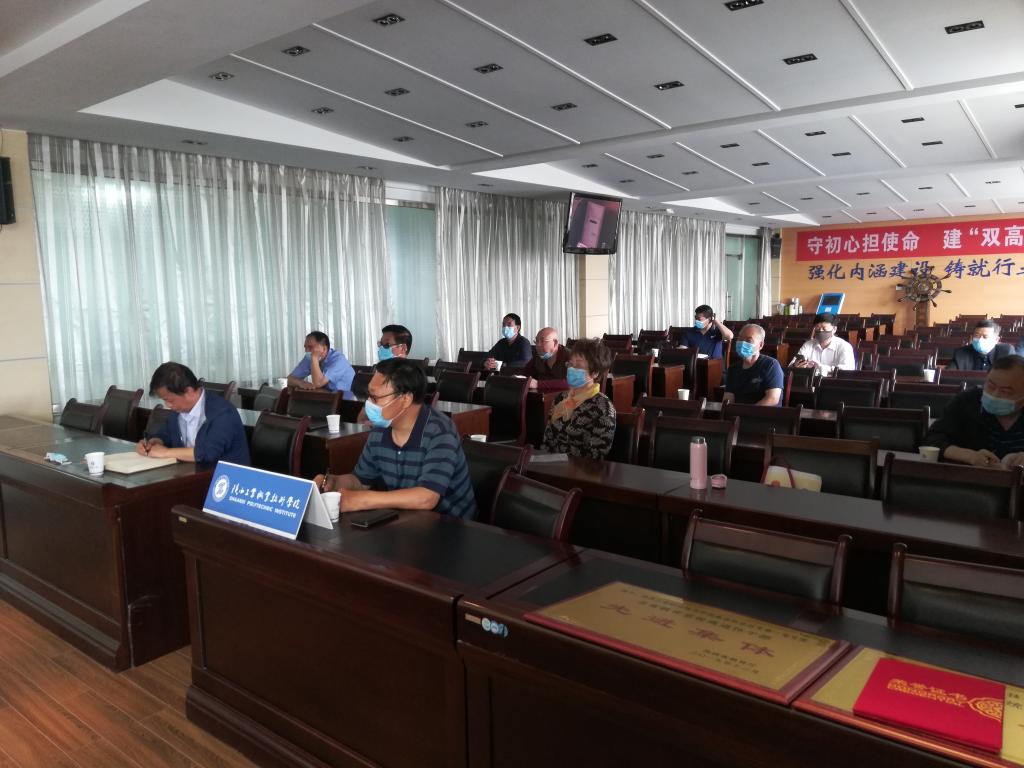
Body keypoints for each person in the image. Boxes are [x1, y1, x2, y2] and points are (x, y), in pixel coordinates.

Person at [314, 358, 477, 518]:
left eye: (375, 397)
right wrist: (334, 482)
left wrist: (364, 500)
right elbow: (361, 481)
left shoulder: (440, 431)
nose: (369, 403)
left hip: (452, 525)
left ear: (405, 399)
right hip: (407, 521)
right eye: (369, 396)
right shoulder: (380, 430)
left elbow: (427, 497)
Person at [137, 362, 249, 466]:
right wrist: (155, 441)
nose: (168, 405)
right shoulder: (177, 411)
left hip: (225, 477)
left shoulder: (223, 413)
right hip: (192, 473)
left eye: (170, 400)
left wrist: (165, 452)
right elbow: (165, 434)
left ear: (188, 391)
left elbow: (207, 453)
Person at [921, 355, 1024, 468]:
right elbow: (931, 440)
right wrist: (970, 456)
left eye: (1005, 392)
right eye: (991, 386)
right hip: (968, 476)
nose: (994, 395)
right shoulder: (967, 401)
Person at [542, 338, 616, 458]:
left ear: (595, 372)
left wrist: (562, 462)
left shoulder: (603, 407)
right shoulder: (560, 398)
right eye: (570, 364)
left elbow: (597, 454)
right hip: (552, 464)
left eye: (578, 365)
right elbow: (547, 441)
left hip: (581, 467)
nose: (571, 369)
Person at [723, 324, 784, 406]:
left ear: (761, 345)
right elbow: (728, 398)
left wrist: (747, 412)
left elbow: (772, 399)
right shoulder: (733, 369)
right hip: (738, 412)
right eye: (740, 339)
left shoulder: (771, 365)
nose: (743, 343)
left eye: (749, 340)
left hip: (763, 412)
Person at [287, 331, 355, 393]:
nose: (307, 351)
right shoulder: (309, 357)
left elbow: (318, 383)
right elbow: (290, 379)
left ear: (324, 349)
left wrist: (314, 359)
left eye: (310, 347)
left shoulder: (338, 360)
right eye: (305, 347)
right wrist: (301, 383)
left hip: (346, 398)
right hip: (326, 395)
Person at [945, 320, 1015, 371]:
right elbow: (948, 375)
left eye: (985, 337)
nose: (980, 339)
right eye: (977, 336)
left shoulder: (1006, 352)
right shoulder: (961, 353)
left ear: (996, 340)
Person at [527, 326, 572, 392]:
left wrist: (538, 384)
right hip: (541, 395)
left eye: (542, 341)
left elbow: (571, 382)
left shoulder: (570, 357)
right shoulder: (536, 356)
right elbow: (525, 374)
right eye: (536, 341)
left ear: (555, 343)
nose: (538, 345)